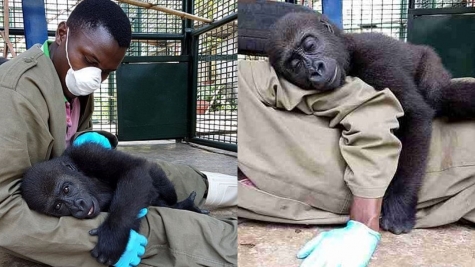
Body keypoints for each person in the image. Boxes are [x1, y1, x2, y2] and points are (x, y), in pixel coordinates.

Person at [0, 0, 237, 266]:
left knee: (155, 172)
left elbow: (70, 139)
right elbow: (4, 215)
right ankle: (231, 243)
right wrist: (92, 242)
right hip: (34, 225)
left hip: (70, 182)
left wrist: (88, 140)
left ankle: (233, 189)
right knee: (160, 228)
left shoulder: (69, 80)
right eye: (90, 61)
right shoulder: (12, 94)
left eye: (105, 73)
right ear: (62, 33)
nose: (94, 78)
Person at [237, 60, 475, 266]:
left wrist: (363, 224)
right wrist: (211, 188)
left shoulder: (249, 80)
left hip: (451, 146)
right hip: (447, 203)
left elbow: (371, 106)